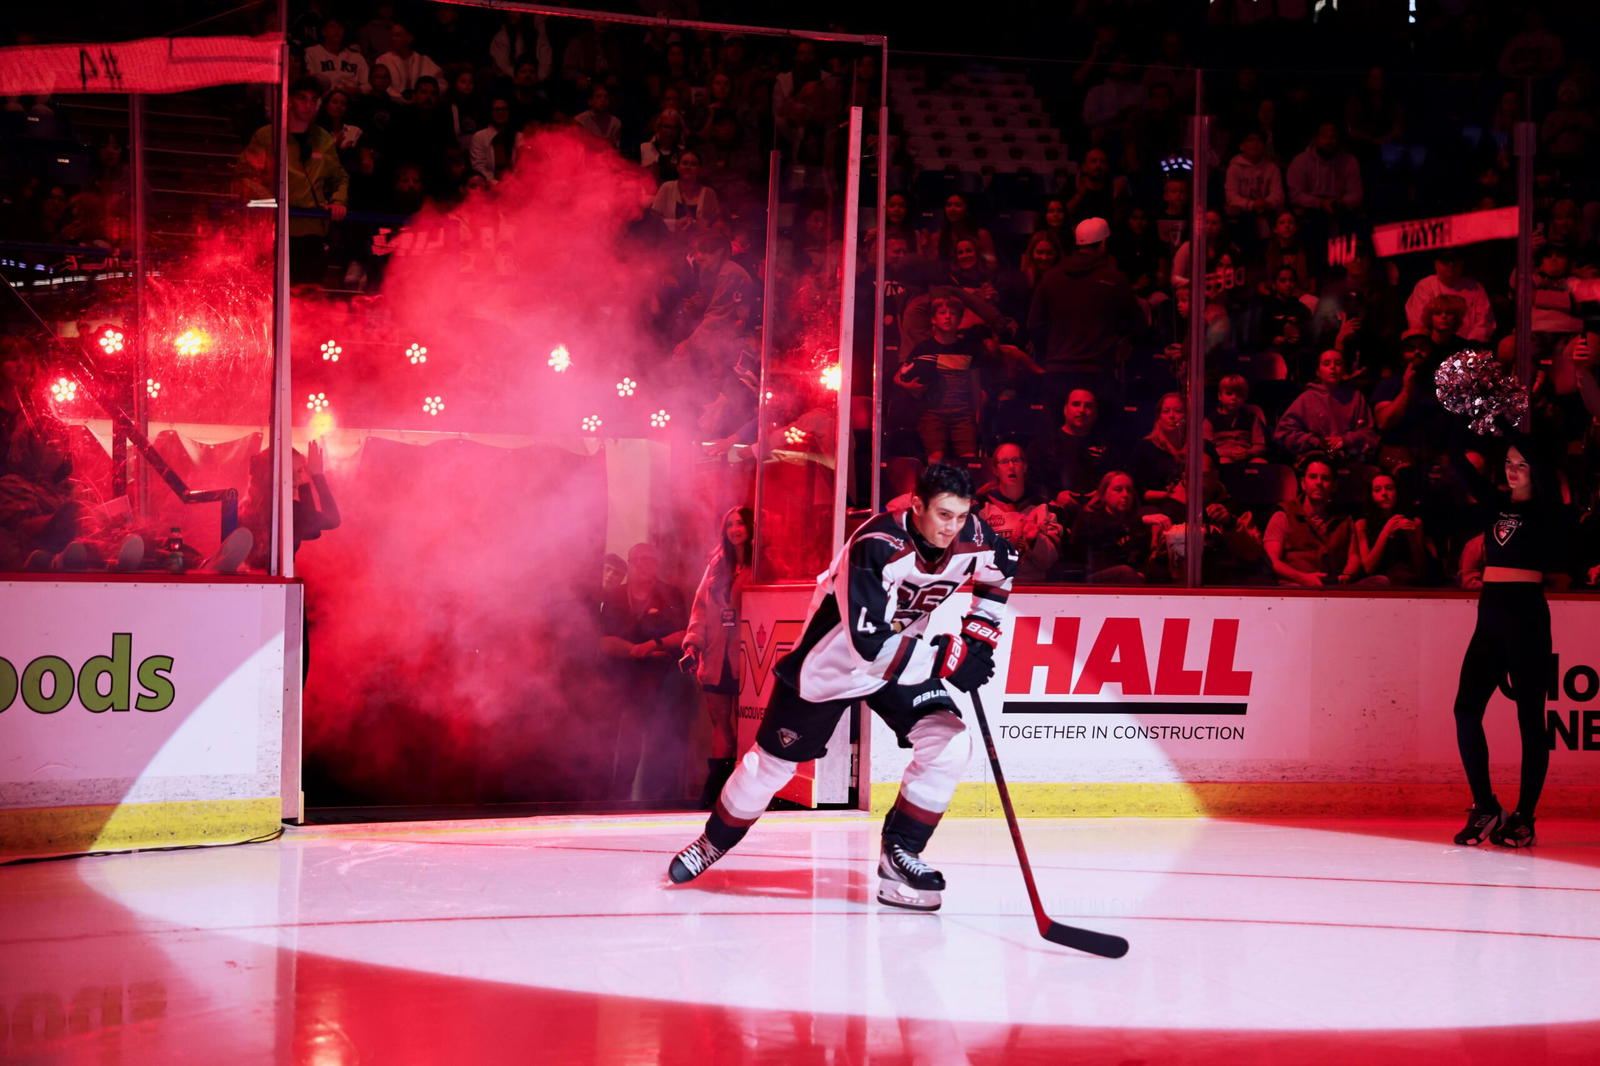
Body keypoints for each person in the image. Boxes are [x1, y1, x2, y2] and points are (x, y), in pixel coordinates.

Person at [667, 463, 1018, 911]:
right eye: (943, 515)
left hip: (902, 662)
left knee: (948, 743)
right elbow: (867, 645)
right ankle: (712, 843)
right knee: (770, 768)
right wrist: (952, 661)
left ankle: (900, 856)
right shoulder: (875, 547)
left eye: (961, 516)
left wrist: (978, 641)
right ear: (916, 506)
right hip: (832, 664)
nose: (953, 527)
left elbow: (1001, 570)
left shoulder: (975, 536)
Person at [1449, 436, 1569, 849]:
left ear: (1536, 469)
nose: (1511, 469)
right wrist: (1454, 420)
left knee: (1530, 720)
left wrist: (1507, 425)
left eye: (1520, 463)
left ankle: (1524, 817)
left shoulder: (1547, 509)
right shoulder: (1494, 505)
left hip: (1527, 619)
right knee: (1465, 711)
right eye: (1508, 462)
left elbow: (1548, 481)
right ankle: (1485, 806)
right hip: (1490, 619)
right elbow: (1461, 467)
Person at [680, 507, 753, 809]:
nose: (735, 529)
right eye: (729, 525)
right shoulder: (716, 565)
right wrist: (692, 645)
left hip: (750, 656)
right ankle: (716, 792)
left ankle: (745, 790)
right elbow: (699, 609)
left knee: (747, 724)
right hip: (716, 656)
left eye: (740, 523)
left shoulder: (761, 562)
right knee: (721, 725)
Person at [1027, 217, 1141, 404]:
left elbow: (1035, 326)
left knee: (1057, 428)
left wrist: (1055, 352)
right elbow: (1136, 324)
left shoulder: (1051, 278)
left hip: (1058, 370)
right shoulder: (1113, 279)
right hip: (1098, 371)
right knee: (1101, 429)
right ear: (1104, 243)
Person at [894, 294, 987, 465]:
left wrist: (977, 413)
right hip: (932, 414)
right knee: (935, 459)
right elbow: (898, 376)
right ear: (933, 319)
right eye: (942, 313)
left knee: (970, 461)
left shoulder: (968, 349)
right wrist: (908, 386)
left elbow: (975, 384)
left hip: (963, 415)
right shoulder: (924, 348)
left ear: (959, 320)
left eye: (953, 314)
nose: (948, 317)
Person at [1264, 455, 1360, 587]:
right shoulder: (1283, 514)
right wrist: (1304, 579)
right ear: (1303, 483)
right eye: (1313, 477)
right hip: (1295, 588)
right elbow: (1271, 561)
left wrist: (1347, 575)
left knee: (1380, 582)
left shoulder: (1344, 520)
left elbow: (1354, 557)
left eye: (1325, 478)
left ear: (1334, 486)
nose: (1319, 482)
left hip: (1334, 588)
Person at [1273, 349, 1378, 463]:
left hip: (1349, 459)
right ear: (1318, 371)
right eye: (1326, 364)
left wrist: (1345, 440)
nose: (1332, 367)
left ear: (1343, 370)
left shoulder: (1356, 397)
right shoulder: (1307, 398)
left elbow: (1369, 434)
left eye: (1338, 364)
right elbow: (1283, 433)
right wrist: (1316, 442)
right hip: (1315, 459)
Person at [1071, 470, 1160, 584]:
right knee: (1125, 572)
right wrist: (1139, 521)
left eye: (1129, 490)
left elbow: (1142, 558)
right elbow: (1101, 533)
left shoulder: (1135, 518)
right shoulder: (1089, 517)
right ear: (1103, 494)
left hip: (1132, 576)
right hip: (1093, 578)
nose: (1125, 495)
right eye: (1118, 490)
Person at [1404, 249, 1495, 343]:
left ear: (1462, 262)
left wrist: (1469, 346)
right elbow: (1418, 324)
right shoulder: (1425, 286)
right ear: (1436, 263)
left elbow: (1484, 324)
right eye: (1445, 261)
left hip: (1468, 347)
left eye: (1455, 260)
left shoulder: (1475, 287)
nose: (1451, 265)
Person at [1353, 472, 1426, 585]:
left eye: (1389, 488)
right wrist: (1386, 531)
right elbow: (1368, 568)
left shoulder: (1414, 522)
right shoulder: (1362, 524)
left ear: (1397, 492)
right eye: (1377, 490)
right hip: (1374, 584)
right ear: (1371, 495)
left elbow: (1420, 569)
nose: (1384, 493)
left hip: (1406, 582)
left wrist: (1411, 537)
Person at [650, 149, 720, 233]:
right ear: (678, 167)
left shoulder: (709, 193)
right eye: (685, 163)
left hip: (699, 242)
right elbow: (653, 219)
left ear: (699, 169)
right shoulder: (667, 187)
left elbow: (716, 222)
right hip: (669, 241)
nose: (688, 167)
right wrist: (675, 223)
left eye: (693, 164)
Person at [1205, 374, 1267, 464]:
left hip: (1247, 456)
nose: (1234, 398)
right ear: (1220, 396)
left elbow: (1260, 445)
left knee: (1260, 462)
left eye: (1239, 395)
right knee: (1225, 462)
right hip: (1222, 457)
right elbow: (1207, 446)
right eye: (1229, 394)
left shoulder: (1252, 418)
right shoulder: (1210, 420)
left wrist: (1248, 453)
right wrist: (1227, 452)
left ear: (1245, 398)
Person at [373, 22, 441, 101]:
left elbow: (440, 83)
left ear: (409, 38)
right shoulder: (383, 60)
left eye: (397, 35)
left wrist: (424, 96)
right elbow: (379, 85)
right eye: (392, 35)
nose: (393, 39)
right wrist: (400, 98)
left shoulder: (423, 60)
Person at [304, 17, 369, 94]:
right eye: (333, 26)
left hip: (351, 98)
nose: (337, 30)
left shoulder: (356, 57)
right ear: (323, 31)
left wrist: (355, 90)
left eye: (340, 27)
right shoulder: (311, 52)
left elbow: (367, 85)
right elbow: (310, 80)